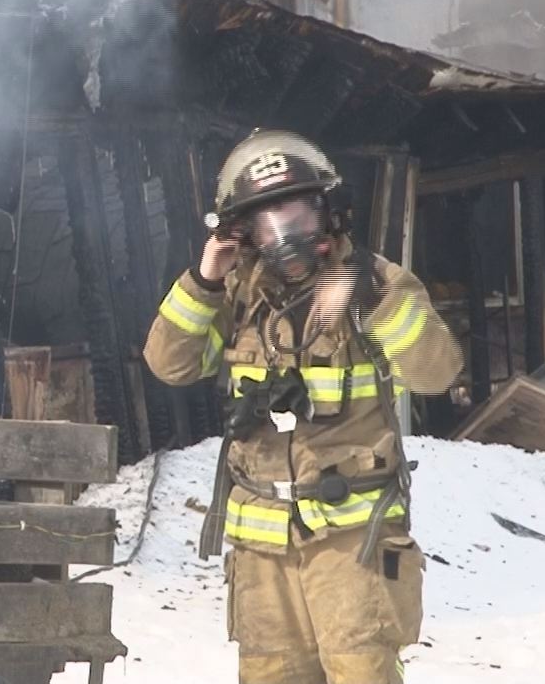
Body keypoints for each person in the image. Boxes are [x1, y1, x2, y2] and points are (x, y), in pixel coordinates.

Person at [143, 129, 462, 683]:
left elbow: (437, 373)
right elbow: (170, 364)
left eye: (299, 216)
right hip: (261, 547)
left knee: (361, 670)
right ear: (246, 232)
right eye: (269, 223)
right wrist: (205, 279)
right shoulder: (238, 294)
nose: (286, 235)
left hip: (351, 543)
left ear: (328, 212)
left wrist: (374, 304)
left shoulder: (377, 283)